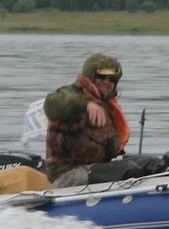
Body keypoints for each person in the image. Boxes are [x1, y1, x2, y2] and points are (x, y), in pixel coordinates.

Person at [43, 53, 130, 187]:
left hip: (96, 167)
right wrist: (84, 104)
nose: (107, 82)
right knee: (127, 170)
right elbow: (52, 104)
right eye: (101, 77)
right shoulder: (71, 93)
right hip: (66, 173)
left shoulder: (107, 104)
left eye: (112, 79)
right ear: (90, 77)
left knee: (147, 164)